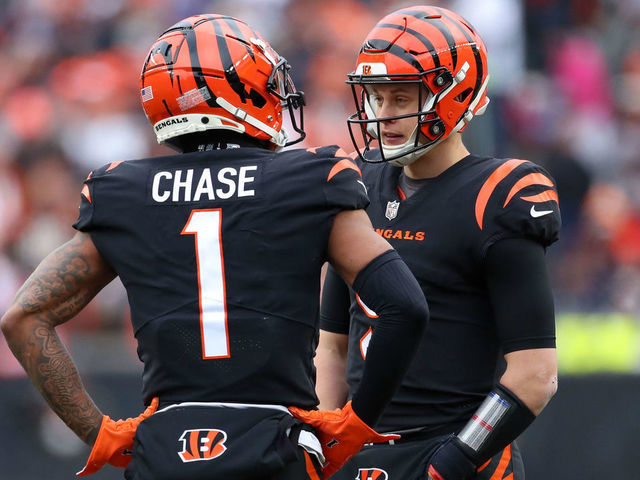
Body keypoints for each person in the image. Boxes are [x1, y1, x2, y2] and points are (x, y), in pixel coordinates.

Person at [0, 14, 429, 480]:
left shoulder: (122, 191)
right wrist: (357, 421)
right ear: (234, 92)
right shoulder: (309, 179)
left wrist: (98, 433)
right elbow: (404, 306)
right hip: (274, 448)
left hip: (165, 452)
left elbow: (24, 317)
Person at [312, 5, 561, 480]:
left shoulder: (499, 194)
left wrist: (453, 462)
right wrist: (324, 445)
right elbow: (332, 348)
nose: (383, 115)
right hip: (360, 455)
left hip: (454, 451)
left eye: (401, 99)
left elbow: (534, 374)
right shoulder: (357, 184)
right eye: (377, 98)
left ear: (455, 94)